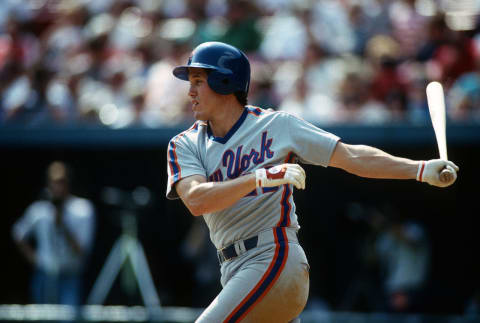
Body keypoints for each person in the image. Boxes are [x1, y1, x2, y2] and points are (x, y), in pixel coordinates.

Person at [165, 42, 459, 323]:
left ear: (224, 82)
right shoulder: (185, 144)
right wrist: (259, 178)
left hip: (273, 257)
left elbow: (352, 157)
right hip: (231, 268)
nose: (190, 92)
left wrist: (419, 169)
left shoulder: (277, 126)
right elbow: (197, 200)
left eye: (198, 81)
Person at [12, 161, 95, 305]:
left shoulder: (82, 209)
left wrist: (62, 224)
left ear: (68, 182)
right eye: (54, 181)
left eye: (61, 181)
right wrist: (35, 260)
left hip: (70, 276)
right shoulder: (39, 210)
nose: (58, 186)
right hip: (44, 275)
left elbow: (82, 251)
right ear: (48, 183)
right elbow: (18, 233)